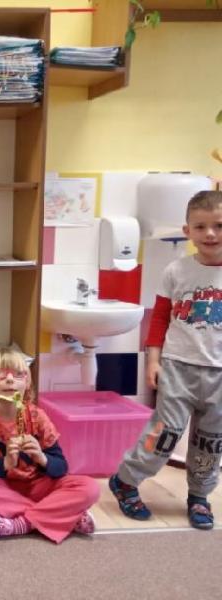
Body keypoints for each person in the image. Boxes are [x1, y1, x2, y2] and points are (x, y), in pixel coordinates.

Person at [109, 190, 222, 530]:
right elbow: (159, 319)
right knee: (164, 433)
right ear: (187, 231)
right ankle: (126, 480)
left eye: (219, 225)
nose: (210, 234)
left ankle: (199, 496)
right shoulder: (177, 271)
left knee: (211, 440)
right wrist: (153, 361)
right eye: (200, 227)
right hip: (177, 367)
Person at [0, 347, 99, 544]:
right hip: (2, 487)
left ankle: (20, 523)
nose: (10, 380)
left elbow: (62, 467)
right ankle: (64, 516)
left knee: (89, 487)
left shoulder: (37, 415)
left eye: (18, 374)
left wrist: (42, 458)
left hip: (38, 485)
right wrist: (5, 463)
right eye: (0, 374)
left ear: (27, 382)